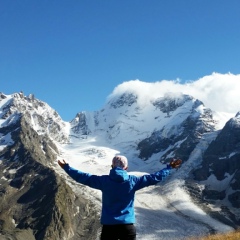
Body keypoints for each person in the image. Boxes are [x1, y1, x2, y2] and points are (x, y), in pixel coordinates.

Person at [58, 156, 182, 240]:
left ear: (111, 166)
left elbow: (83, 177)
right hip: (127, 227)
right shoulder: (133, 181)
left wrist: (66, 167)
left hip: (109, 228)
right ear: (126, 168)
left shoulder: (103, 181)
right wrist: (169, 168)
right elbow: (154, 178)